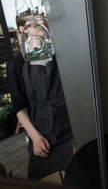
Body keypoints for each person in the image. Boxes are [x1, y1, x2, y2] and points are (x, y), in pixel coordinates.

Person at [7, 16, 73, 180]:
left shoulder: (62, 55)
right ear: (24, 30)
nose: (40, 23)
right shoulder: (16, 65)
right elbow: (19, 107)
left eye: (42, 20)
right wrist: (35, 138)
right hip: (42, 135)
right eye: (32, 22)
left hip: (69, 132)